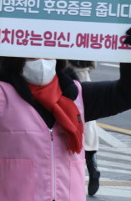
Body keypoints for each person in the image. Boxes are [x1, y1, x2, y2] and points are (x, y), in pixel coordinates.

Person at [0, 7, 131, 200]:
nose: (42, 61)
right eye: (33, 55)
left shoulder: (77, 95)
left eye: (48, 54)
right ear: (16, 59)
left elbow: (125, 93)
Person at [68, 59, 101, 196]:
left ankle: (75, 177)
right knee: (88, 126)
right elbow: (93, 65)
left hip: (69, 80)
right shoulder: (86, 48)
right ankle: (93, 167)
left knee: (74, 123)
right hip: (86, 79)